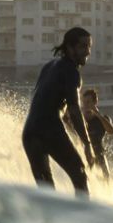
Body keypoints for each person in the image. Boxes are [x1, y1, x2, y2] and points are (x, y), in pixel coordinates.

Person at [23, 26, 93, 196]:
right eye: (83, 46)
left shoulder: (49, 66)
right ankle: (83, 220)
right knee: (80, 175)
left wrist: (67, 123)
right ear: (70, 47)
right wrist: (87, 143)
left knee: (46, 191)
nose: (87, 52)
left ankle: (46, 222)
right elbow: (75, 110)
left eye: (89, 46)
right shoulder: (71, 71)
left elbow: (48, 101)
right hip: (49, 129)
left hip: (29, 132)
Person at [74, 86, 113, 174]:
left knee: (106, 179)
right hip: (84, 157)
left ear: (95, 102)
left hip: (99, 155)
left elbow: (111, 131)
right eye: (84, 102)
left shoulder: (102, 119)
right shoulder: (80, 120)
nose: (85, 105)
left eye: (88, 102)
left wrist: (97, 114)